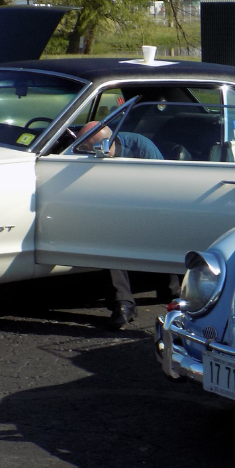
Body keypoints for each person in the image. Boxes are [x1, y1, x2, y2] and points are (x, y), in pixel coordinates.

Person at [77, 121, 178, 328]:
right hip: (108, 211)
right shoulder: (83, 154)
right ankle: (123, 302)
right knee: (106, 235)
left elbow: (164, 186)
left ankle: (172, 291)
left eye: (86, 150)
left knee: (159, 229)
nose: (81, 154)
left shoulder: (141, 147)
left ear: (102, 147)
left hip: (146, 208)